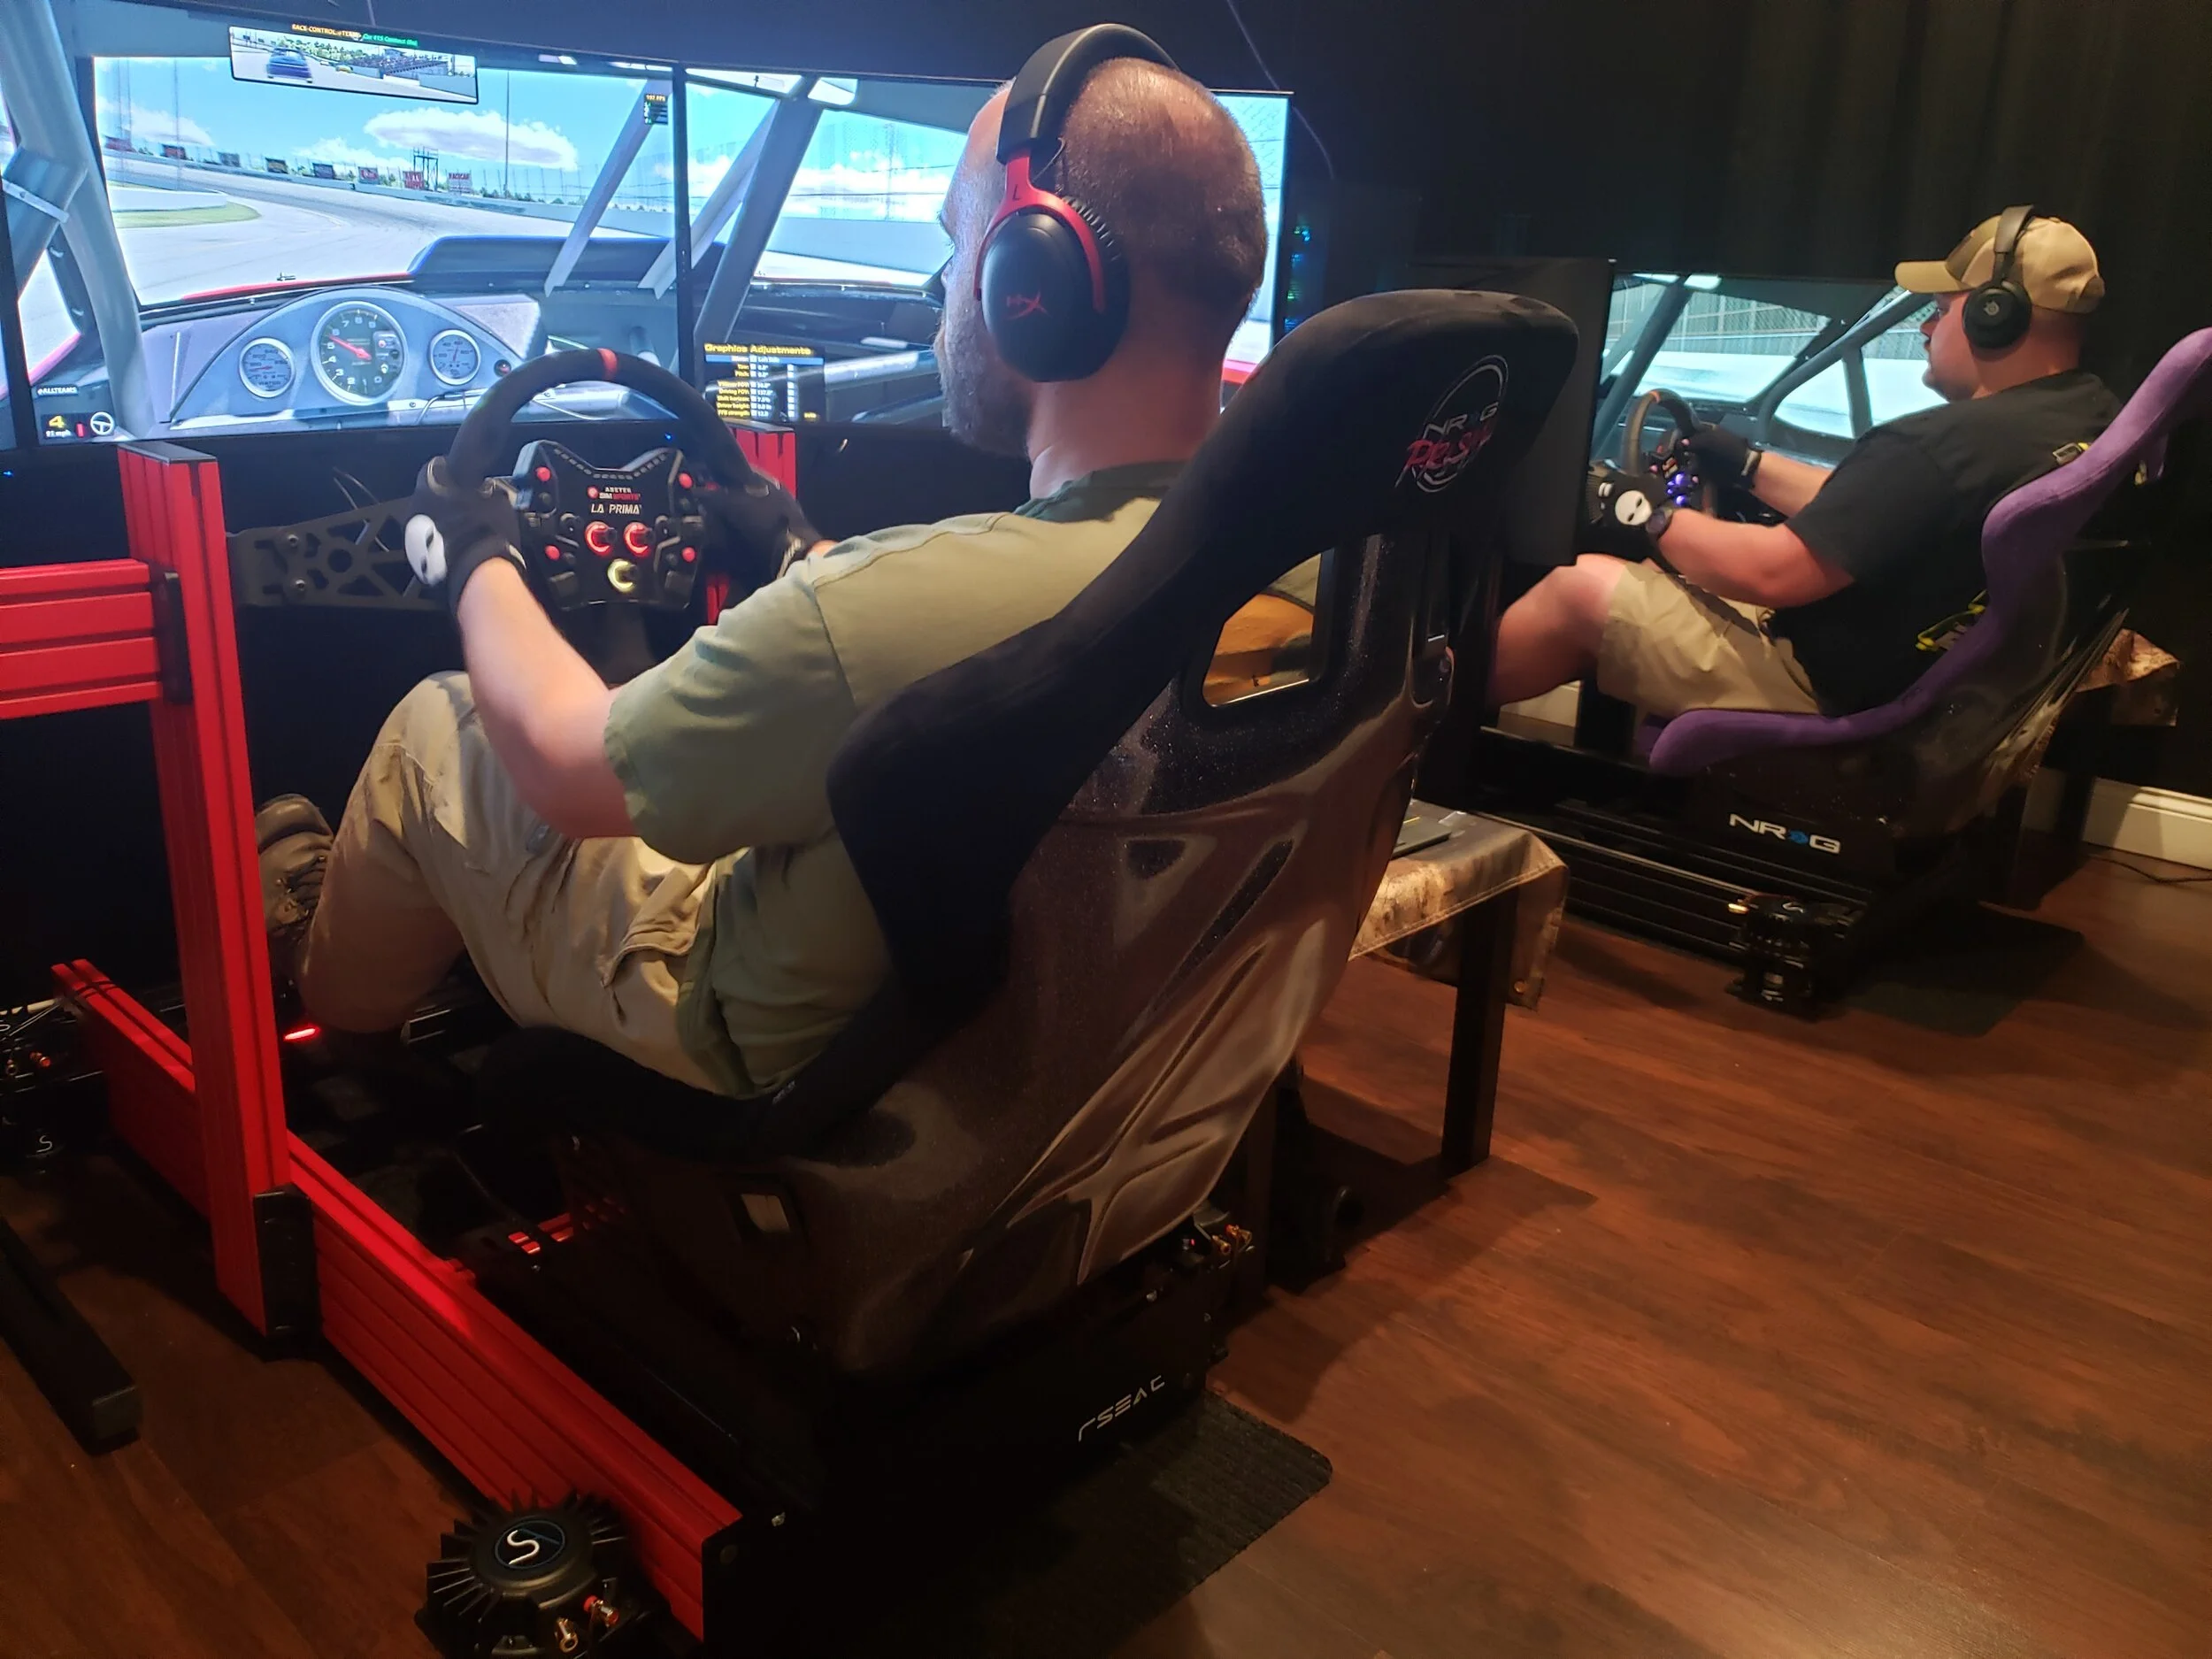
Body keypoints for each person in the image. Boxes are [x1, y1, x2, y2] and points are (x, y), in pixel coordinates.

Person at [255, 54, 1269, 1098]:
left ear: (1035, 282)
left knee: (436, 724)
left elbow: (564, 769)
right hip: (1065, 1032)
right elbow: (912, 641)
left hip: (748, 1032)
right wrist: (795, 549)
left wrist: (472, 554)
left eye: (957, 242)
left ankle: (332, 1018)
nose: (940, 288)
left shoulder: (885, 611)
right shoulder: (1297, 569)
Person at [1488, 211, 2121, 718]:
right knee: (1658, 573)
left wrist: (1632, 507)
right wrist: (1746, 463)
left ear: (1994, 313)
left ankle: (1434, 740)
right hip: (1926, 678)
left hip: (1824, 682)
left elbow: (1774, 573)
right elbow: (1873, 510)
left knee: (1578, 590)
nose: (1927, 329)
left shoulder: (1946, 443)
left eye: (1941, 309)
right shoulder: (2083, 418)